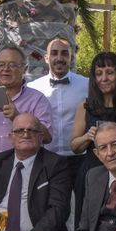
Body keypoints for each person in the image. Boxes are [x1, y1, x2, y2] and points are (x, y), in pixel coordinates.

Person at [69, 52, 116, 228]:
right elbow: (74, 146)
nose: (104, 78)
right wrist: (87, 136)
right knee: (87, 225)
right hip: (91, 173)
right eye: (99, 73)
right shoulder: (85, 106)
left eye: (109, 72)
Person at [28, 37, 88, 186]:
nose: (59, 58)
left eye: (64, 53)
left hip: (79, 157)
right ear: (46, 58)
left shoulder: (86, 84)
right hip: (46, 158)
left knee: (81, 204)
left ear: (71, 57)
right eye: (54, 53)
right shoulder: (33, 88)